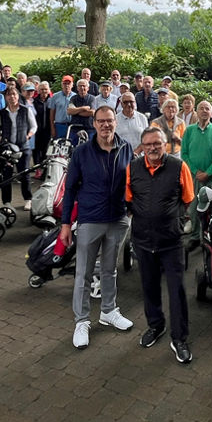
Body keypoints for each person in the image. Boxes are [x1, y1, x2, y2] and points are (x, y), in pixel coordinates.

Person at [59, 106, 134, 349]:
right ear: (94, 124)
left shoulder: (126, 148)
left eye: (109, 121)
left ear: (115, 122)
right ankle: (82, 320)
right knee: (83, 273)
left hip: (118, 219)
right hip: (90, 219)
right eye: (101, 121)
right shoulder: (81, 152)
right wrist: (65, 225)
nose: (105, 125)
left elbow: (134, 182)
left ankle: (109, 311)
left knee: (110, 270)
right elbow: (69, 189)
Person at [127, 126, 196, 364]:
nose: (153, 148)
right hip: (143, 241)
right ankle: (155, 326)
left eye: (157, 143)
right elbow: (128, 199)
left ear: (165, 144)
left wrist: (172, 220)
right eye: (148, 145)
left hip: (171, 241)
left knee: (176, 290)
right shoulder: (133, 167)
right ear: (142, 147)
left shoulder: (179, 167)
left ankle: (180, 338)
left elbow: (188, 198)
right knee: (149, 287)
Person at [181, 100, 212, 250]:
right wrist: (195, 171)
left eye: (207, 108)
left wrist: (208, 172)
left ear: (211, 113)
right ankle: (195, 237)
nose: (204, 111)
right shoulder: (189, 130)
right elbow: (184, 153)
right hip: (193, 177)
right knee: (193, 209)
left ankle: (210, 237)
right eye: (201, 108)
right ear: (196, 112)